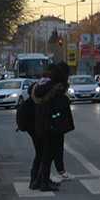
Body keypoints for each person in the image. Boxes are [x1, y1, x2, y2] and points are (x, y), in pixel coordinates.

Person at [28, 62, 74, 191]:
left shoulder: (41, 84)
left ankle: (37, 181)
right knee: (47, 155)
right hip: (51, 125)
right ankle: (43, 183)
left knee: (42, 154)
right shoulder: (55, 87)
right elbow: (58, 106)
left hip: (41, 124)